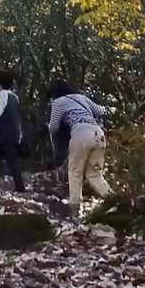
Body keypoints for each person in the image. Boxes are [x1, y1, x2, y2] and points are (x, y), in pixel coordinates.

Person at [47, 78, 111, 213]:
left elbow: (53, 127)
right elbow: (102, 111)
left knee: (75, 172)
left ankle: (74, 209)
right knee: (94, 174)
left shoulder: (58, 102)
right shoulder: (81, 98)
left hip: (81, 134)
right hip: (98, 134)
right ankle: (115, 200)